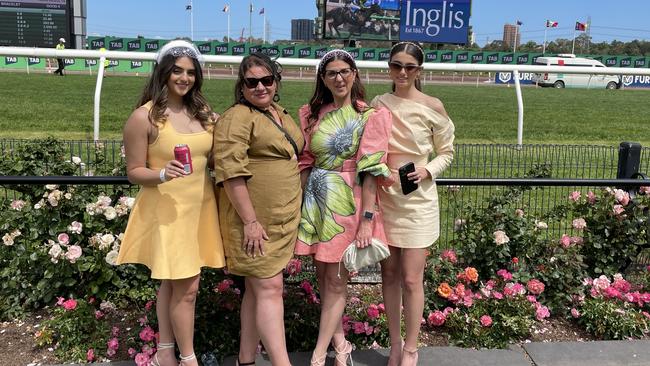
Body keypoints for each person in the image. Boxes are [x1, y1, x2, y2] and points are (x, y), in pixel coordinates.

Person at [117, 40, 225, 366]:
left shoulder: (204, 115)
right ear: (163, 72)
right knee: (188, 288)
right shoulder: (143, 117)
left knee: (172, 281)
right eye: (177, 70)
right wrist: (162, 174)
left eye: (191, 72)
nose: (184, 77)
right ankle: (188, 358)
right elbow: (134, 172)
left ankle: (165, 350)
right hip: (167, 212)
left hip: (201, 211)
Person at [295, 49, 392, 366]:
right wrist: (300, 208)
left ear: (355, 74)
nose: (339, 78)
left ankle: (319, 354)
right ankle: (342, 345)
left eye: (345, 71)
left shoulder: (370, 116)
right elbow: (306, 162)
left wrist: (367, 219)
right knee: (325, 277)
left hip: (348, 204)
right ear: (322, 79)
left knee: (337, 280)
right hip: (317, 200)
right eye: (332, 73)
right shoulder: (311, 115)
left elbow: (370, 172)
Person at [213, 52, 304, 366]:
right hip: (252, 221)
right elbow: (229, 171)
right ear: (242, 86)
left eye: (267, 80)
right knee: (270, 287)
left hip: (281, 217)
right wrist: (250, 220)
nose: (261, 87)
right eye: (252, 82)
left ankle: (246, 360)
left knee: (257, 290)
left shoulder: (280, 112)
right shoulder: (237, 117)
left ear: (276, 82)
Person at [371, 41, 455, 366]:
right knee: (388, 274)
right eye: (396, 65)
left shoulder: (433, 104)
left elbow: (447, 151)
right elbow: (370, 147)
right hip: (386, 196)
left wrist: (427, 169)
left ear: (419, 70)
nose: (402, 72)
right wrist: (381, 171)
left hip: (419, 202)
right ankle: (394, 344)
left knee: (410, 278)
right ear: (389, 67)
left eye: (409, 66)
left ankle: (411, 348)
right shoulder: (379, 103)